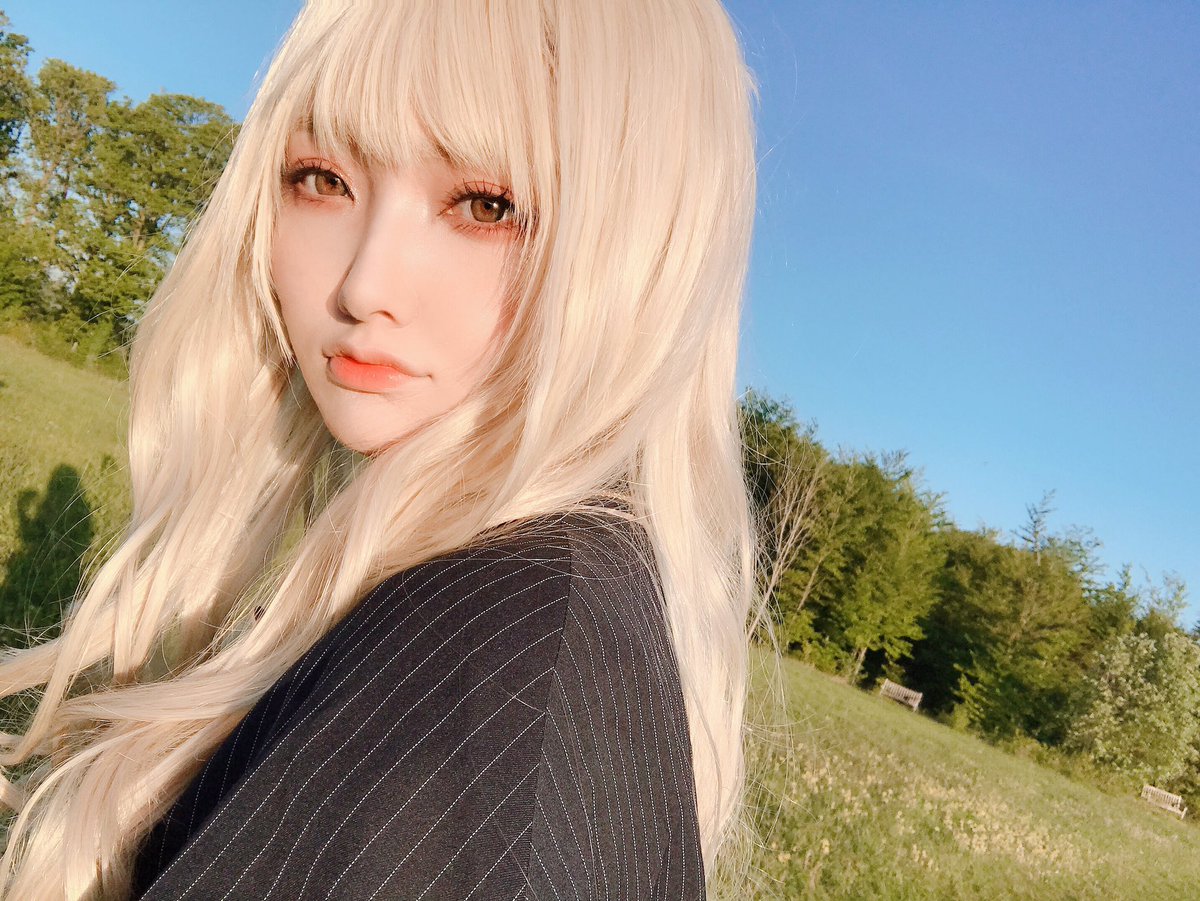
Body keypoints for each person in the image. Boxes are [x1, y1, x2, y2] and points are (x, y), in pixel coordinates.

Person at [0, 0, 761, 897]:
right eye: (323, 179)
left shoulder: (490, 662)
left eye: (486, 205)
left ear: (641, 250)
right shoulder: (550, 606)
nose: (363, 284)